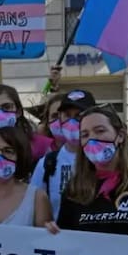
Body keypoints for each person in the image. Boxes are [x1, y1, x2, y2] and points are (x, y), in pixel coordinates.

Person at [50, 106, 128, 237]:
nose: (92, 139)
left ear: (120, 136)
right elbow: (66, 238)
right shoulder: (74, 188)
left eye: (100, 131)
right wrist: (51, 233)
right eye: (85, 135)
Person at [31, 89, 98, 219]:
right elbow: (34, 211)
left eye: (79, 116)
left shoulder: (104, 161)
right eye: (67, 115)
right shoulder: (46, 164)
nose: (72, 122)